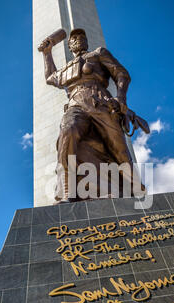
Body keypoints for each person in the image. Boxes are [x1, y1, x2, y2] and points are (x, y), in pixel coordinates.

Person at [39, 28, 139, 202]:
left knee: (118, 147)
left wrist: (121, 97)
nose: (78, 39)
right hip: (75, 105)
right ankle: (66, 188)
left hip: (100, 102)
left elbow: (121, 74)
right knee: (68, 130)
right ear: (69, 46)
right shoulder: (67, 67)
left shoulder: (98, 54)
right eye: (74, 38)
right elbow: (51, 78)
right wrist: (47, 53)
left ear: (86, 41)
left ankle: (134, 187)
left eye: (81, 37)